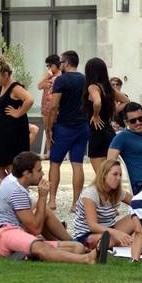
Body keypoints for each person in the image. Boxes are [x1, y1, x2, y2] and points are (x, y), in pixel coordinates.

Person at [0, 151, 103, 263]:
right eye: (39, 170)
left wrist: (41, 202)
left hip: (10, 232)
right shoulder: (16, 190)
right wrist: (43, 197)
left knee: (77, 248)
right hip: (1, 233)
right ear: (27, 173)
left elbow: (33, 207)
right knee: (39, 245)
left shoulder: (13, 181)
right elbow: (35, 229)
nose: (42, 174)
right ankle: (87, 259)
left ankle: (74, 244)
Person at [46, 50, 89, 211]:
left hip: (64, 126)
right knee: (77, 164)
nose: (60, 65)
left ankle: (52, 200)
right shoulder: (85, 79)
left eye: (61, 62)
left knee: (55, 162)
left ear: (67, 63)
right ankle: (75, 203)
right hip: (82, 126)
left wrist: (49, 128)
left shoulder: (61, 80)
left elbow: (54, 105)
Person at [70, 158, 135, 248]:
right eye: (115, 174)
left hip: (109, 229)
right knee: (107, 239)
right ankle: (120, 243)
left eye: (120, 175)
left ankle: (119, 243)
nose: (119, 178)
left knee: (138, 215)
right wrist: (117, 233)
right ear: (104, 175)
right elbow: (93, 226)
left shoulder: (117, 192)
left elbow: (139, 204)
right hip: (87, 234)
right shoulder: (90, 193)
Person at [84, 57, 129, 175]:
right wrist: (111, 112)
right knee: (109, 171)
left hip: (97, 131)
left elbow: (97, 102)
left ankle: (103, 194)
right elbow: (126, 100)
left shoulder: (93, 87)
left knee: (101, 175)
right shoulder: (108, 88)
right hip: (109, 131)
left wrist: (96, 115)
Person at [0, 56, 33, 174]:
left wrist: (18, 113)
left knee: (12, 165)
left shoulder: (15, 88)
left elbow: (29, 99)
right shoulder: (2, 87)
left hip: (14, 131)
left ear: (5, 74)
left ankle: (16, 190)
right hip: (2, 130)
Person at [107, 102, 142, 194]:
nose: (138, 122)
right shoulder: (122, 137)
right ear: (126, 122)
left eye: (141, 118)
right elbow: (110, 162)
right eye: (133, 121)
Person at [37, 54, 61, 157]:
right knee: (47, 129)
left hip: (56, 106)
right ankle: (49, 151)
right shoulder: (48, 76)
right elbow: (39, 86)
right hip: (45, 105)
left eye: (50, 65)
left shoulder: (61, 76)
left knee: (56, 128)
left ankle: (58, 150)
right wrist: (46, 77)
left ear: (55, 65)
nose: (48, 68)